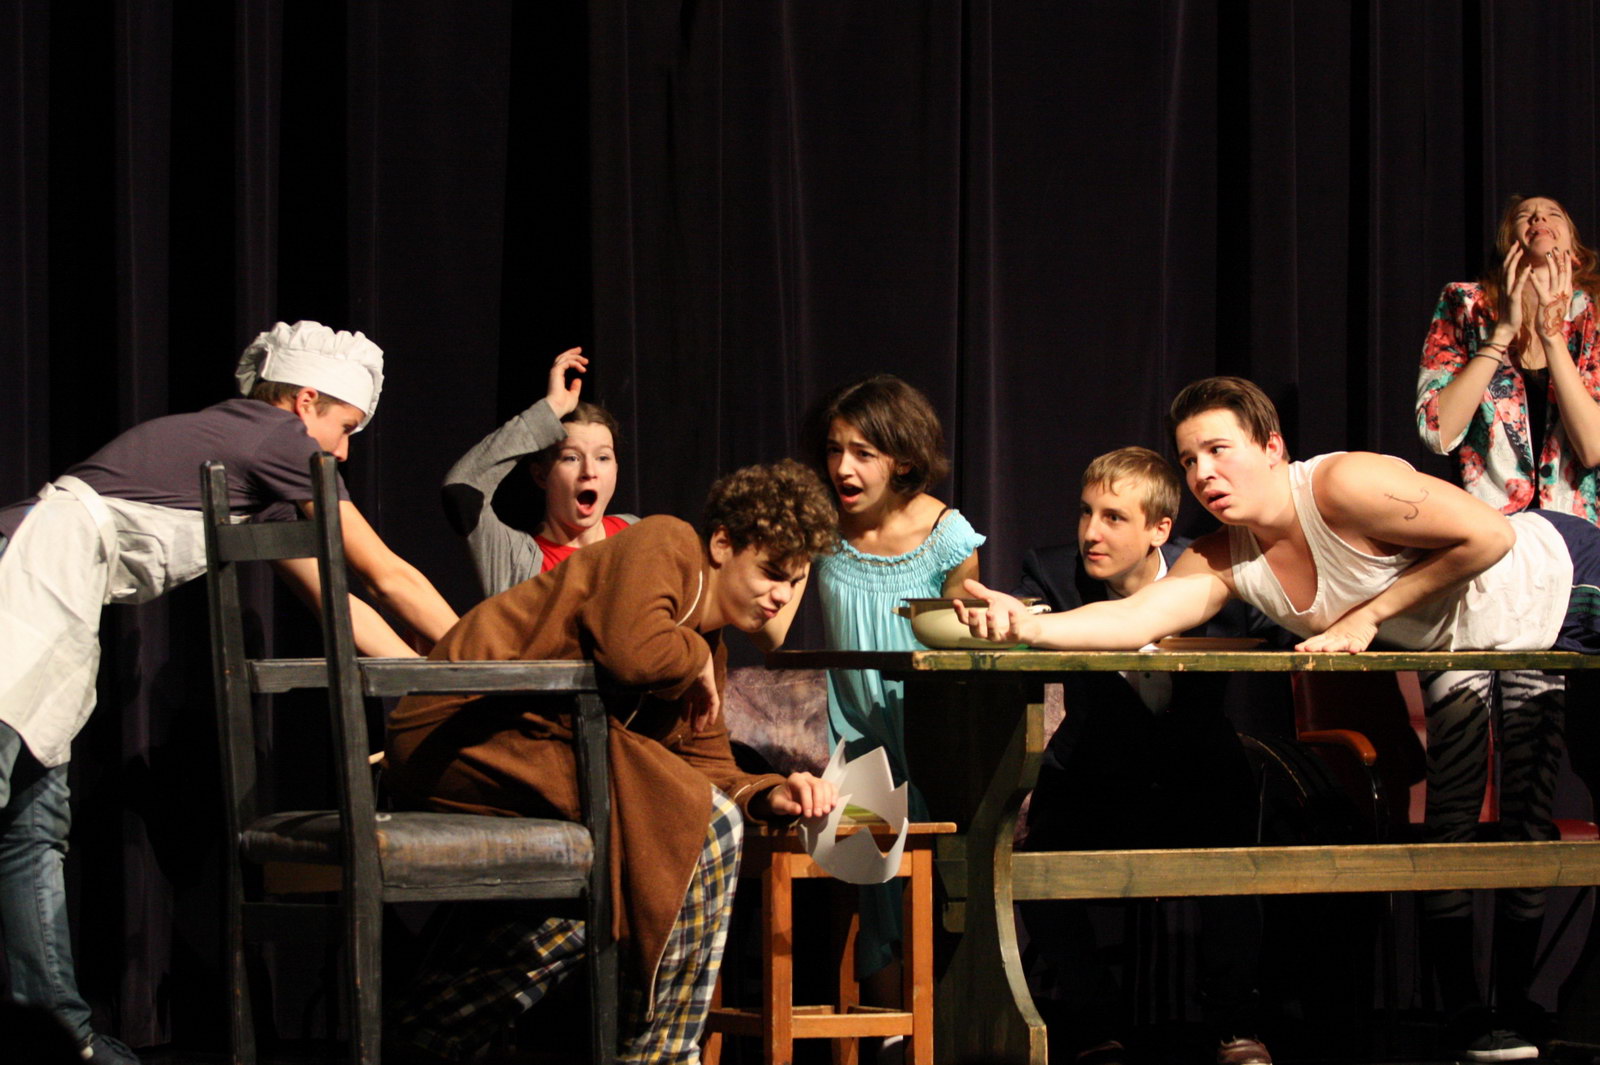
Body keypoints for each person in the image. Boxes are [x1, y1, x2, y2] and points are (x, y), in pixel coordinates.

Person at [0, 321, 459, 1064]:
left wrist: (433, 683)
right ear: (305, 401)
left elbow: (341, 605)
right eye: (345, 428)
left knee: (32, 826)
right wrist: (483, 655)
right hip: (25, 578)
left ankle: (64, 1036)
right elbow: (386, 574)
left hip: (56, 591)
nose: (345, 452)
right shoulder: (279, 438)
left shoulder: (255, 467)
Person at [382, 459, 841, 1063]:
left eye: (795, 581)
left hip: (539, 749)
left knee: (625, 878)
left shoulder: (709, 646)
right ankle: (663, 1052)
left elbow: (705, 760)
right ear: (723, 543)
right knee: (696, 827)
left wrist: (767, 791)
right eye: (772, 573)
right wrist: (691, 657)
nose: (781, 595)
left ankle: (428, 1031)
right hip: (466, 729)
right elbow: (632, 649)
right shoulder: (667, 543)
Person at [956, 375, 1600, 659]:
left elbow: (1491, 533)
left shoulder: (1340, 486)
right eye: (1189, 460)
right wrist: (1029, 626)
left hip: (1566, 579)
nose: (1202, 474)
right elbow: (1132, 619)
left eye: (1218, 450)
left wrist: (1367, 616)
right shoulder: (1222, 557)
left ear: (1271, 447)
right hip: (1507, 642)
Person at [1015, 447, 1284, 1065]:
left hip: (1197, 777)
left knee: (1238, 841)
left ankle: (1234, 1024)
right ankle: (1094, 1025)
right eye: (1086, 512)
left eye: (1113, 517)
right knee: (1032, 868)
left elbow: (1288, 624)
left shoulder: (1214, 573)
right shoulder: (1052, 573)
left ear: (1160, 529)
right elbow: (1021, 619)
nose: (1090, 532)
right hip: (1094, 778)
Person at [1414, 194, 1600, 1060]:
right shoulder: (1464, 307)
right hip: (1472, 571)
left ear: (1576, 244)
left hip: (1557, 582)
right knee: (1455, 787)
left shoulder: (1592, 322)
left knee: (1530, 792)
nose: (1537, 223)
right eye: (1523, 215)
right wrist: (1501, 333)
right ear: (1504, 241)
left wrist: (1553, 337)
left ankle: (1517, 998)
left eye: (1551, 214)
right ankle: (1459, 1000)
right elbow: (1436, 429)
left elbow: (1593, 448)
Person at [810, 373, 983, 1032]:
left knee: (940, 878)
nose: (843, 467)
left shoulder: (945, 532)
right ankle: (888, 1029)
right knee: (870, 873)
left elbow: (964, 642)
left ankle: (942, 1025)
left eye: (863, 453)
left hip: (933, 735)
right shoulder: (823, 528)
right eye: (835, 450)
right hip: (859, 739)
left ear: (903, 460)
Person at [442, 347, 640, 597]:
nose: (589, 471)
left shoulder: (635, 532)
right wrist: (549, 410)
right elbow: (462, 487)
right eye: (571, 458)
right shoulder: (516, 561)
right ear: (541, 475)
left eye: (603, 458)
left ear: (616, 469)